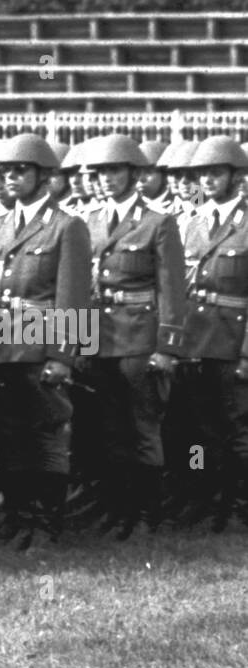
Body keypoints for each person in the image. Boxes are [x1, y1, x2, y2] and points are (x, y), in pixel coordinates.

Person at [0, 134, 91, 549]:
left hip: (41, 341)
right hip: (2, 342)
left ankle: (46, 525)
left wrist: (63, 356)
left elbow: (74, 295)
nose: (10, 179)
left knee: (46, 436)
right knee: (8, 435)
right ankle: (18, 517)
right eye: (5, 172)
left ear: (44, 176)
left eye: (20, 171)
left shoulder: (67, 226)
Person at [77, 134, 186, 539]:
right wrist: (74, 342)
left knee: (142, 428)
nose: (107, 179)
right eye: (101, 172)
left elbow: (172, 289)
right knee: (109, 429)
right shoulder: (85, 221)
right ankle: (117, 509)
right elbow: (78, 286)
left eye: (115, 170)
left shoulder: (158, 222)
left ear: (136, 174)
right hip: (97, 338)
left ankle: (146, 514)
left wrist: (167, 347)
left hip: (139, 336)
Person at [175, 136, 248, 530]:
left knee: (235, 428)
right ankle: (205, 494)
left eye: (216, 172)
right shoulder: (193, 223)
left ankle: (237, 503)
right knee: (199, 431)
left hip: (231, 341)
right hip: (195, 341)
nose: (208, 179)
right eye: (203, 173)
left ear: (236, 177)